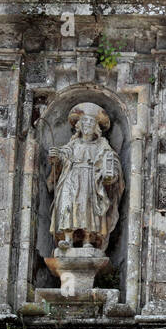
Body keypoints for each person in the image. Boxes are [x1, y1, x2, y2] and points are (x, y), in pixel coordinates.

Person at [46, 102, 123, 253]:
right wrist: (56, 156)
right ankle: (67, 239)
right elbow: (63, 156)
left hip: (90, 179)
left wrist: (109, 171)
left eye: (91, 121)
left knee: (88, 207)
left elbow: (110, 158)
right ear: (79, 126)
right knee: (67, 204)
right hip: (71, 177)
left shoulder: (101, 144)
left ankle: (88, 240)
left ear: (96, 127)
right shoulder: (73, 144)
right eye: (85, 121)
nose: (87, 124)